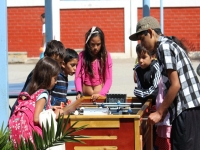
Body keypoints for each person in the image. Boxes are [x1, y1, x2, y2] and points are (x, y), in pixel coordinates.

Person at [129, 16, 200, 150]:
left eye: (142, 39)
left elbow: (176, 85)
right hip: (190, 108)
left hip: (187, 108)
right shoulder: (167, 45)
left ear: (150, 32)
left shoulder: (164, 47)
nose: (142, 44)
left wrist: (160, 112)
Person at [10, 40, 66, 116]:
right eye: (54, 61)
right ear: (46, 57)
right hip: (23, 119)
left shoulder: (51, 75)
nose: (56, 66)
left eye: (59, 63)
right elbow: (26, 97)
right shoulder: (37, 74)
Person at [75, 26, 112, 101]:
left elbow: (109, 79)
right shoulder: (82, 56)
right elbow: (77, 76)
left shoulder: (105, 56)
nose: (95, 47)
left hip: (100, 97)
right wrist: (79, 91)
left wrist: (101, 93)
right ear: (88, 43)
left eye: (98, 44)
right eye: (92, 44)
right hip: (85, 97)